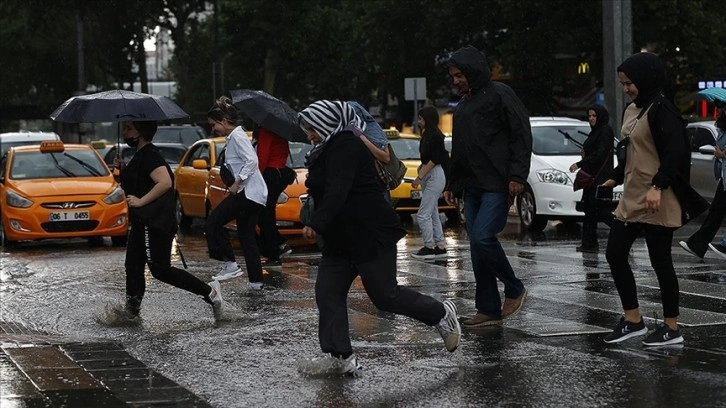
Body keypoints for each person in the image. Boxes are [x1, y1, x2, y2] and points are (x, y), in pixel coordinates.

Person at [296, 100, 461, 376]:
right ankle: (341, 356)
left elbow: (339, 190)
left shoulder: (347, 145)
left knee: (385, 296)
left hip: (369, 233)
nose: (309, 135)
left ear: (327, 123)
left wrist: (317, 222)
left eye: (312, 128)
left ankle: (441, 314)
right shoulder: (325, 149)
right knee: (327, 292)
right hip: (341, 238)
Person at [600, 52, 691, 346]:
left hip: (657, 196)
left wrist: (658, 186)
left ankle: (671, 327)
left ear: (645, 79)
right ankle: (633, 320)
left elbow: (676, 153)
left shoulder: (662, 109)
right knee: (615, 253)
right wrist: (615, 174)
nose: (626, 88)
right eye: (623, 83)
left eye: (630, 83)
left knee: (660, 261)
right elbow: (630, 150)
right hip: (633, 195)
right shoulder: (632, 109)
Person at [443, 45, 531, 327]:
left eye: (459, 75)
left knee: (482, 237)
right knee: (477, 247)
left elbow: (520, 133)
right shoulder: (464, 104)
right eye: (452, 76)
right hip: (471, 186)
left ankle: (515, 288)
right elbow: (460, 148)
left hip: (496, 184)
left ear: (472, 71)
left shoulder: (501, 94)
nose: (455, 80)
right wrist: (453, 184)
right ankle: (488, 309)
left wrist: (517, 176)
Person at [113, 120, 223, 323]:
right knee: (133, 266)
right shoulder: (141, 156)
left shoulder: (150, 156)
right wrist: (123, 168)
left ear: (141, 132)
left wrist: (140, 201)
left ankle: (210, 293)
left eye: (129, 128)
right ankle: (132, 312)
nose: (125, 132)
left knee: (160, 269)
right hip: (141, 222)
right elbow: (139, 183)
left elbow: (164, 182)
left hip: (154, 223)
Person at [206, 96, 268, 290]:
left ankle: (230, 263)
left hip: (247, 194)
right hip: (255, 195)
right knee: (247, 237)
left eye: (214, 125)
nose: (213, 129)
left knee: (213, 221)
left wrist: (237, 181)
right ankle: (256, 282)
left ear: (224, 121)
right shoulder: (234, 136)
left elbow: (252, 161)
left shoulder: (238, 136)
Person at [679, 99, 726, 259]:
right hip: (724, 177)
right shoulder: (721, 127)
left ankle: (698, 245)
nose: (716, 111)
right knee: (716, 212)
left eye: (719, 108)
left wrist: (722, 154)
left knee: (716, 212)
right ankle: (698, 245)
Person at [569, 104, 615, 253]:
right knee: (590, 211)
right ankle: (589, 243)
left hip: (601, 179)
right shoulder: (595, 132)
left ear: (600, 116)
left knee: (602, 211)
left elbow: (600, 154)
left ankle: (624, 234)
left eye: (594, 116)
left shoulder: (605, 131)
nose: (591, 119)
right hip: (592, 179)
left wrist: (580, 163)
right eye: (589, 116)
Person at [411, 106, 449, 259]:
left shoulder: (435, 136)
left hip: (434, 175)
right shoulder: (427, 134)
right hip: (430, 174)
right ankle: (440, 245)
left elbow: (434, 159)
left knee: (423, 214)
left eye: (420, 118)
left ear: (427, 119)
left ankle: (429, 246)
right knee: (432, 212)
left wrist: (420, 176)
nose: (418, 121)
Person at [253, 126, 293, 266]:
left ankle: (275, 249)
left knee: (264, 214)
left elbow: (263, 156)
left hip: (270, 173)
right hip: (279, 172)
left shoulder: (266, 130)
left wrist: (257, 176)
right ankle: (278, 244)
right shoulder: (280, 131)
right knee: (266, 213)